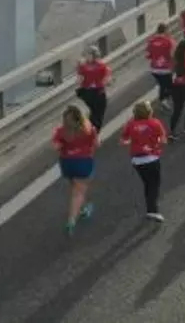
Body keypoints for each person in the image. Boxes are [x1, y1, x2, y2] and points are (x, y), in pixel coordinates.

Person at [52, 104, 98, 235]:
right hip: (83, 161)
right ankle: (71, 220)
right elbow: (97, 143)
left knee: (75, 187)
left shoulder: (61, 131)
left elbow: (55, 146)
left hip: (67, 163)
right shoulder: (89, 129)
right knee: (78, 192)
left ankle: (83, 208)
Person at [119, 99, 167, 222]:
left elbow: (123, 140)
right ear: (149, 111)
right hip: (152, 158)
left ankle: (150, 207)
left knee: (147, 183)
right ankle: (153, 210)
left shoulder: (131, 124)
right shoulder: (155, 123)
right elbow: (163, 140)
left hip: (137, 160)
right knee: (154, 184)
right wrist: (155, 143)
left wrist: (132, 141)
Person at [75, 47, 111, 132]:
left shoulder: (83, 67)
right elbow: (107, 81)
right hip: (98, 93)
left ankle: (89, 129)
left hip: (87, 93)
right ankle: (93, 132)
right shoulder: (102, 66)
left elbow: (78, 81)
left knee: (94, 112)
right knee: (98, 114)